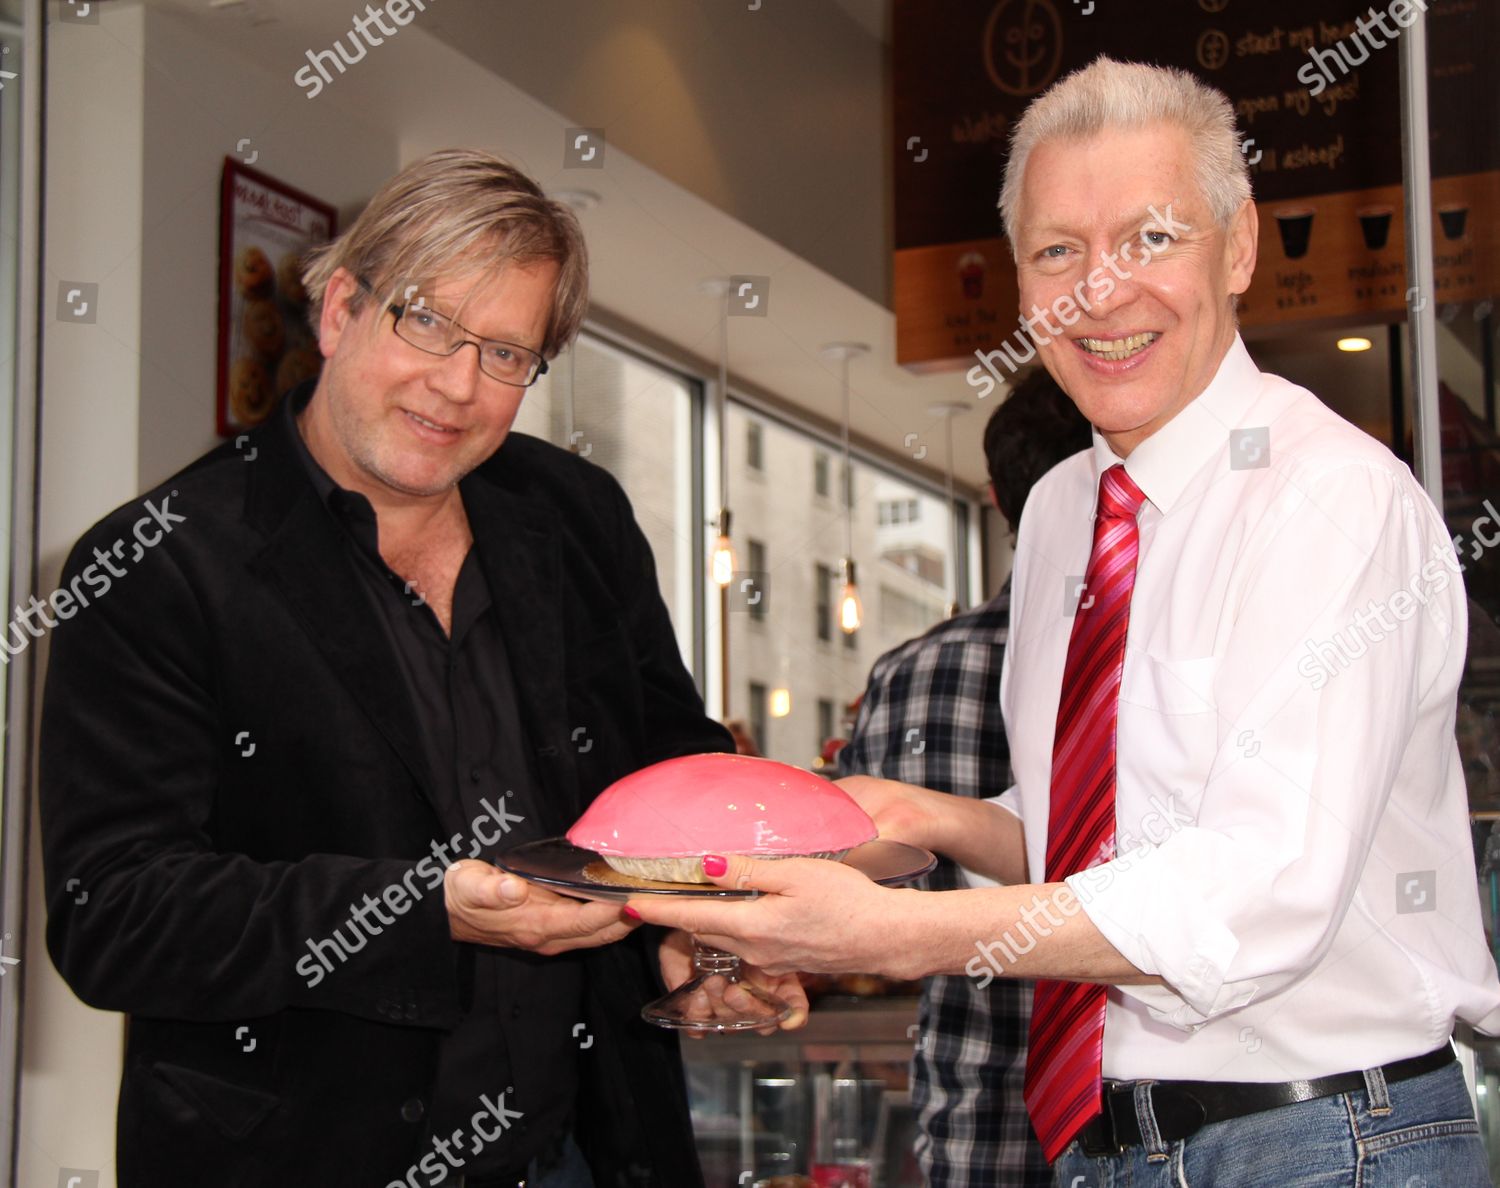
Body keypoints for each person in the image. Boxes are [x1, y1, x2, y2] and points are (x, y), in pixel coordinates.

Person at [627, 57, 1500, 1186]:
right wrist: (928, 818)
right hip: (1109, 1144)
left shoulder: (1328, 498)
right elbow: (1113, 836)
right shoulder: (1061, 511)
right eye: (1058, 253)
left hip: (1328, 1138)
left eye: (1151, 239)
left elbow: (1258, 886)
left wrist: (894, 938)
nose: (1101, 291)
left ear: (1238, 250)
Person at [39, 149, 800, 1188]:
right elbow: (116, 917)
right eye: (428, 322)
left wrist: (692, 932)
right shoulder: (162, 564)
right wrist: (422, 905)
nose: (458, 385)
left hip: (584, 1148)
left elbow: (670, 778)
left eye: (506, 354)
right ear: (341, 306)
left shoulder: (577, 518)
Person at [836, 371, 1088, 1188]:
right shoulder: (1147, 660)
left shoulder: (908, 673)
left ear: (996, 499)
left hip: (978, 1092)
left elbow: (850, 894)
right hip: (1152, 1101)